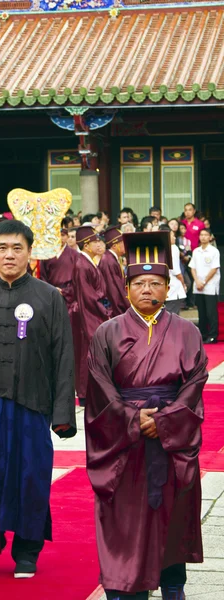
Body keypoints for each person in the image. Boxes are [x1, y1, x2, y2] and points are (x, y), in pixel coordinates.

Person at [86, 230, 207, 600]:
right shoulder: (108, 332)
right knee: (124, 528)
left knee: (171, 526)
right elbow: (98, 386)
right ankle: (125, 590)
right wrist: (132, 420)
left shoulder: (188, 332)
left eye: (156, 283)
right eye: (139, 283)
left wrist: (165, 420)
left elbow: (195, 383)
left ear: (168, 287)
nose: (147, 290)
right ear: (126, 287)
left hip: (171, 445)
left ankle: (173, 588)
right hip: (124, 445)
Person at [0, 220, 76, 579]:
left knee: (31, 475)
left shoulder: (49, 297)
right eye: (2, 248)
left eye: (17, 248)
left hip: (33, 405)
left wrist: (62, 413)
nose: (10, 255)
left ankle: (27, 550)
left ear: (30, 252)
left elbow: (64, 355)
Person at [72, 226, 111, 406]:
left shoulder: (89, 262)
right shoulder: (82, 265)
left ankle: (94, 390)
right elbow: (88, 296)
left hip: (94, 313)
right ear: (87, 245)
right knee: (86, 355)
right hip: (88, 316)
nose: (99, 244)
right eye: (95, 241)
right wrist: (105, 311)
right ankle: (85, 393)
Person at [189, 228, 221, 344]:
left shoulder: (214, 251)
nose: (203, 237)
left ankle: (213, 335)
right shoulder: (196, 251)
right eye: (201, 235)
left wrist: (204, 282)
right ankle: (202, 334)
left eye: (205, 235)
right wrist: (197, 281)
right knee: (201, 312)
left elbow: (214, 268)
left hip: (210, 286)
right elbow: (192, 267)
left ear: (210, 237)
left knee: (211, 312)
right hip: (198, 286)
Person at [40, 226, 78, 311]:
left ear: (67, 237)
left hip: (69, 294)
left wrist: (66, 291)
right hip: (50, 292)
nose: (60, 238)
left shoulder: (75, 255)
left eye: (63, 235)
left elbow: (77, 277)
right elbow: (43, 275)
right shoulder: (46, 254)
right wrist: (51, 289)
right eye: (57, 235)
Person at [99, 226, 130, 317]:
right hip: (115, 309)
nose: (126, 245)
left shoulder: (113, 259)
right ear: (115, 246)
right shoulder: (108, 261)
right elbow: (113, 290)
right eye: (123, 243)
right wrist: (127, 306)